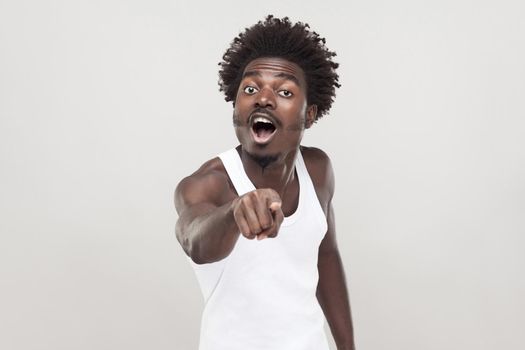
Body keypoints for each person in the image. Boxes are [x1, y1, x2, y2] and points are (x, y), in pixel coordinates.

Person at [174, 15, 356, 350]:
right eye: (251, 88)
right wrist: (235, 212)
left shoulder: (318, 169)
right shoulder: (207, 183)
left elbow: (326, 255)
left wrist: (348, 347)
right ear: (235, 106)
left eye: (285, 91)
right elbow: (194, 241)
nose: (264, 98)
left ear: (310, 113)